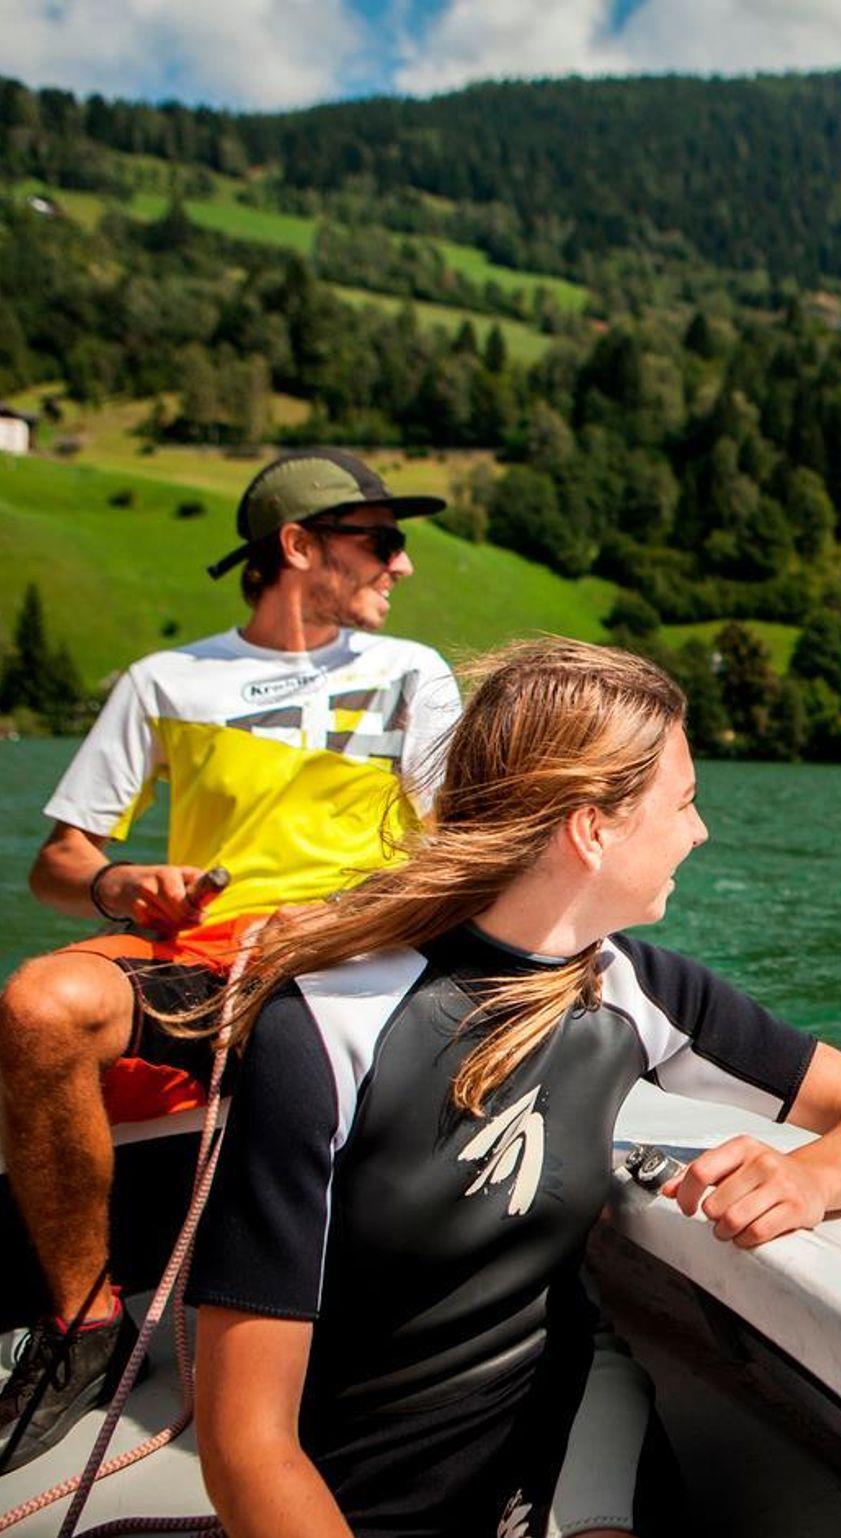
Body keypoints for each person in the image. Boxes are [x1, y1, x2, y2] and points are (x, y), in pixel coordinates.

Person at [185, 639, 841, 1538]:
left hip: (555, 1422)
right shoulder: (326, 1026)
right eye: (684, 801)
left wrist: (810, 1178)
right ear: (592, 829)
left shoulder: (638, 988)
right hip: (361, 1481)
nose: (699, 832)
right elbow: (247, 1442)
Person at [0, 449, 459, 1471]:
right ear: (296, 546)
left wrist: (349, 915)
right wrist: (125, 885)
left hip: (358, 949)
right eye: (379, 541)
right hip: (204, 953)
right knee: (37, 1006)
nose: (401, 564)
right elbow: (60, 861)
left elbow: (457, 846)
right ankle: (84, 1328)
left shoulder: (412, 674)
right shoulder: (164, 682)